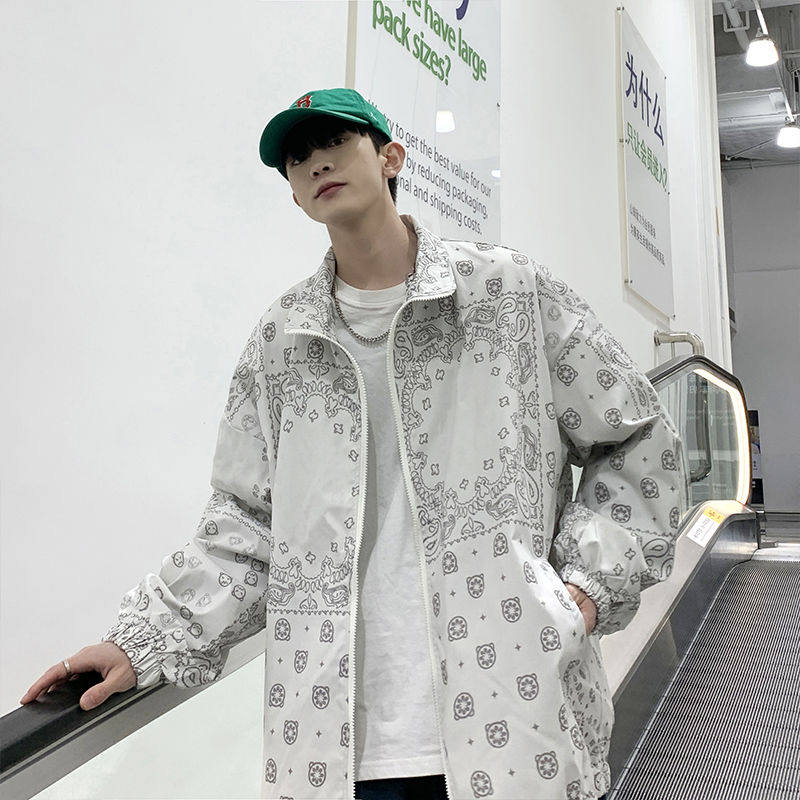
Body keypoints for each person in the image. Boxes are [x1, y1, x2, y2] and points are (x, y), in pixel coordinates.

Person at [21, 88, 686, 800]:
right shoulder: (283, 340)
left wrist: (583, 590)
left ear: (391, 156)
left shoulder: (506, 294)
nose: (316, 163)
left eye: (336, 141)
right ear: (295, 194)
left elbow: (638, 437)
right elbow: (245, 526)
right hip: (335, 747)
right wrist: (140, 639)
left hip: (515, 715)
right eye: (297, 157)